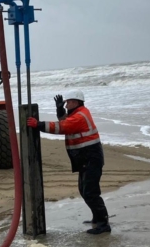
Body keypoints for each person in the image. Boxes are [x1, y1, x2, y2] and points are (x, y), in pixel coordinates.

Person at [27, 90, 110, 234]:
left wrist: (38, 125)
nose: (66, 105)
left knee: (90, 192)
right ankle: (97, 218)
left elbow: (62, 127)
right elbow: (66, 121)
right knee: (84, 190)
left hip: (91, 158)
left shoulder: (80, 116)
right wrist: (59, 110)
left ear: (77, 102)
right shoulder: (77, 114)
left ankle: (103, 223)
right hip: (86, 158)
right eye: (65, 103)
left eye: (68, 102)